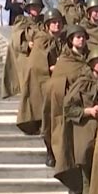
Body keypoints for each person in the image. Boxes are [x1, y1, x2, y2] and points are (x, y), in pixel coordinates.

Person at [63, 46, 98, 194]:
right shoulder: (82, 83)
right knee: (89, 174)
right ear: (91, 64)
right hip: (87, 133)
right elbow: (68, 109)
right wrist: (88, 111)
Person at [45, 25, 91, 177]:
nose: (81, 39)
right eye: (78, 37)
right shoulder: (64, 60)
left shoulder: (91, 57)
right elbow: (56, 83)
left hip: (89, 102)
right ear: (71, 40)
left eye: (83, 37)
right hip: (69, 103)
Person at [17, 8, 64, 137]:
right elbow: (36, 62)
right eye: (53, 22)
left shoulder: (62, 41)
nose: (57, 25)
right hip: (44, 77)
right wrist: (50, 67)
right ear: (47, 25)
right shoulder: (41, 39)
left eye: (59, 22)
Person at [2, 0, 45, 99]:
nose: (35, 9)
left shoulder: (44, 22)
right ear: (28, 9)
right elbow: (16, 38)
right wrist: (27, 44)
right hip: (27, 57)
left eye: (38, 7)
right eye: (33, 7)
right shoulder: (22, 21)